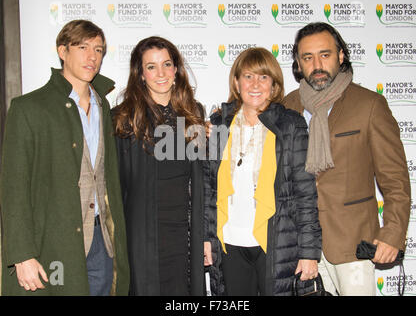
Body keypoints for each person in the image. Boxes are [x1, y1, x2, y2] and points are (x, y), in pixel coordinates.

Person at [0, 20, 129, 295]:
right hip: (53, 245)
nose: (92, 56)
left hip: (102, 244)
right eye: (82, 47)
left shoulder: (103, 105)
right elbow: (14, 188)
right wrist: (21, 254)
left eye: (98, 49)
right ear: (62, 51)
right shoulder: (28, 108)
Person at [283, 22, 411, 296]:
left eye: (325, 54)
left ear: (341, 56)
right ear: (298, 63)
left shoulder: (369, 105)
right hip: (299, 246)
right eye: (308, 57)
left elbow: (395, 180)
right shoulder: (287, 106)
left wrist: (392, 234)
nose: (317, 64)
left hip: (352, 241)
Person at [203, 47, 321, 296]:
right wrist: (205, 238)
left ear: (274, 84)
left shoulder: (291, 125)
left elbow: (305, 194)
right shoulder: (217, 126)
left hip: (276, 245)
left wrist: (309, 253)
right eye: (248, 76)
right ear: (237, 81)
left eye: (263, 77)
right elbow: (206, 189)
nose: (255, 84)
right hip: (229, 245)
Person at [112, 36, 206, 296]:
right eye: (151, 67)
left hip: (185, 235)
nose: (161, 73)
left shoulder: (194, 113)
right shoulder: (123, 119)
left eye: (166, 64)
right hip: (143, 236)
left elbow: (201, 180)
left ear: (176, 69)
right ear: (140, 74)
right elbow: (116, 189)